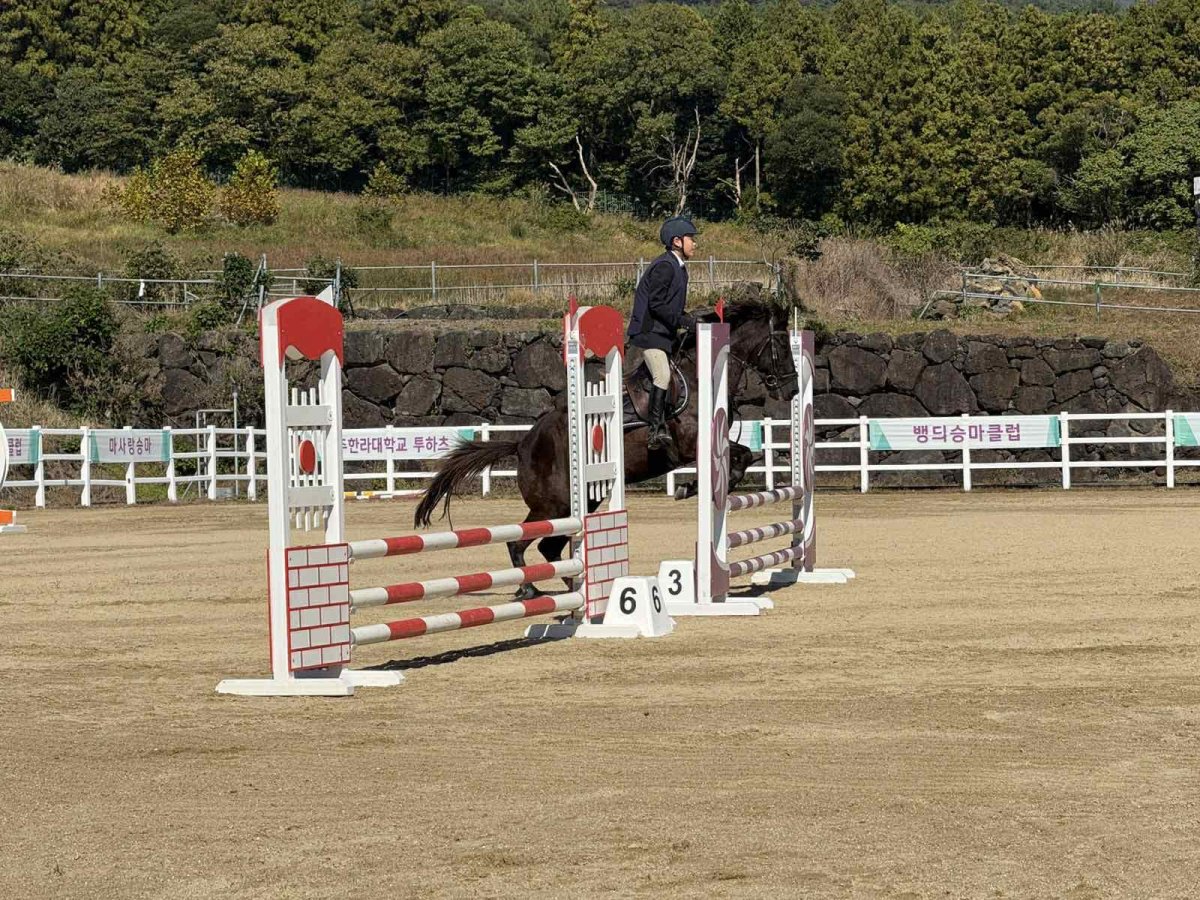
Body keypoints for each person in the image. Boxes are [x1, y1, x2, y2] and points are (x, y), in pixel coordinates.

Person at [627, 216, 699, 449]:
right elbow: (656, 304)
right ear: (677, 241)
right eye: (691, 239)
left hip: (662, 334)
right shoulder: (665, 266)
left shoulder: (679, 268)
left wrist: (688, 318)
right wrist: (681, 319)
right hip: (649, 334)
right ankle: (655, 431)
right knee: (662, 376)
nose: (695, 244)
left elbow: (671, 306)